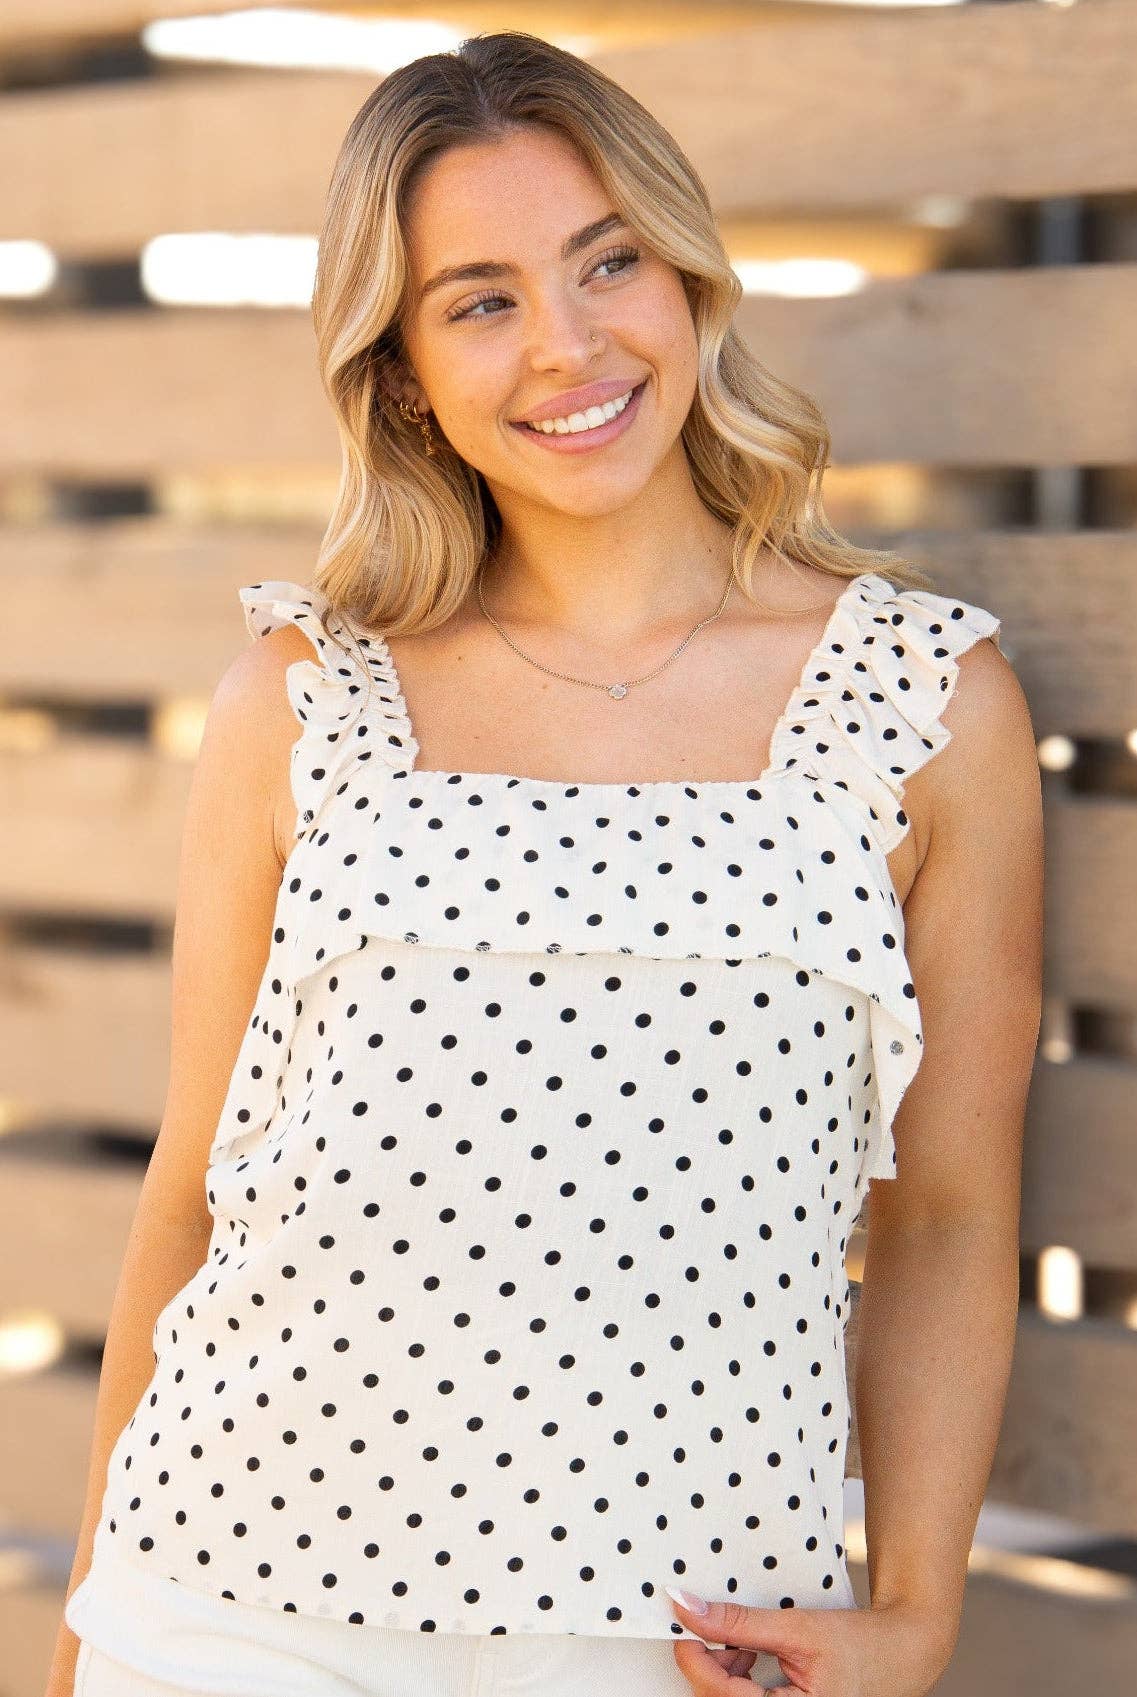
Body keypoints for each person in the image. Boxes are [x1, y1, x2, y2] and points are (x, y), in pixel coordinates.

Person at [48, 28, 1043, 1697]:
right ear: (401, 371)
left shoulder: (924, 702)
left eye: (608, 262)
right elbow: (189, 1191)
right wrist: (86, 1636)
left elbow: (945, 1212)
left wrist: (917, 1610)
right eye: (481, 298)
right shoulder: (306, 698)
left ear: (686, 280)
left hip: (678, 1647)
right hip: (229, 1609)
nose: (568, 343)